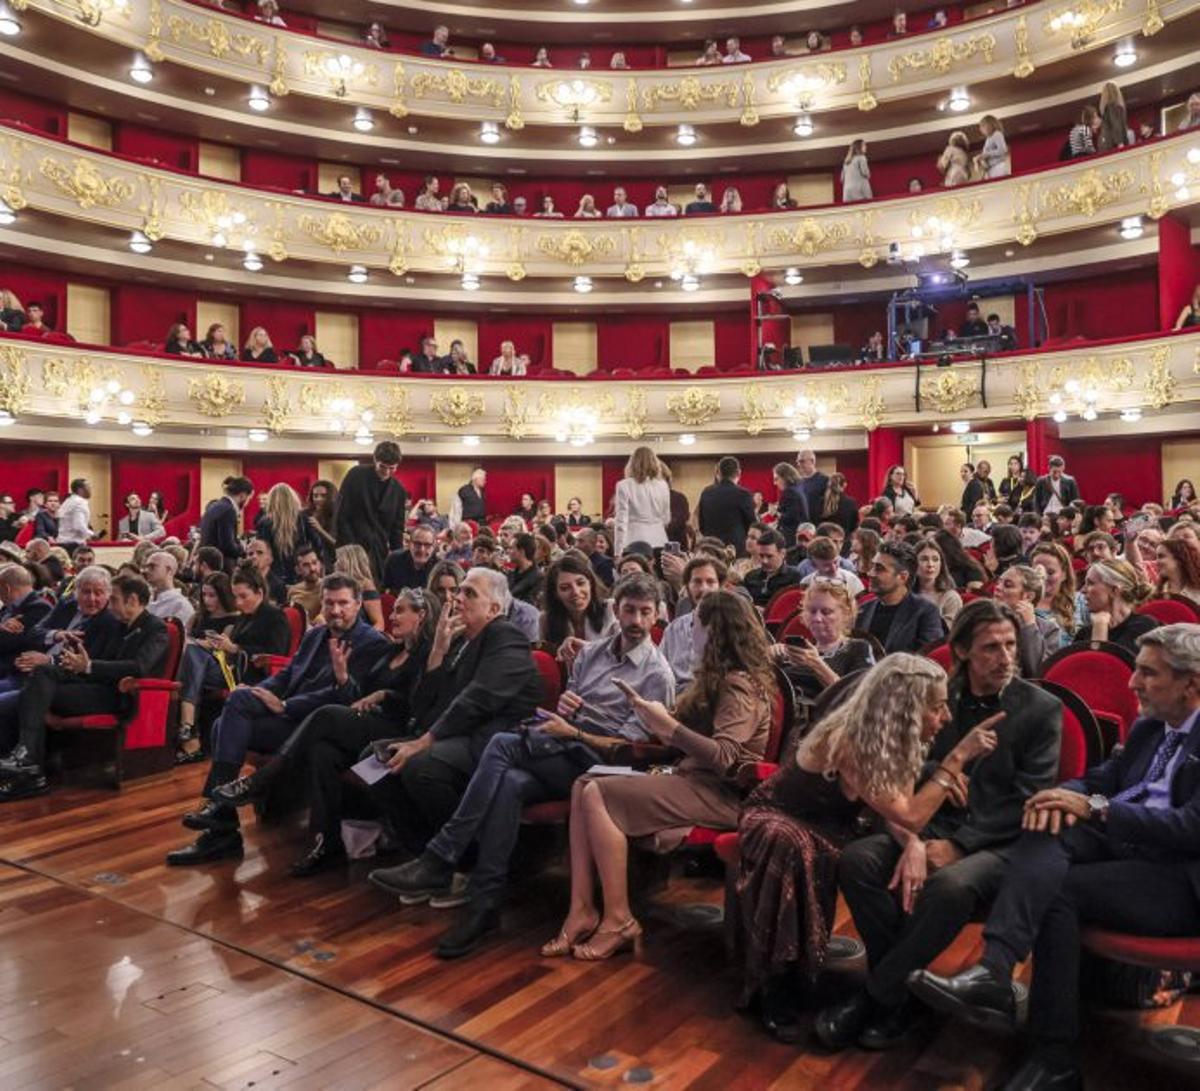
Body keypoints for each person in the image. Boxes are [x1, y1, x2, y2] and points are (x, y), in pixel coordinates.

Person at [909, 623, 1200, 1091]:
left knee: (1059, 890)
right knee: (1046, 825)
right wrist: (1059, 795)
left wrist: (1095, 808)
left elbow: (1191, 828)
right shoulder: (1153, 727)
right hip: (1126, 848)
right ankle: (996, 972)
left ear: (1192, 683)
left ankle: (1053, 1054)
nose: (1132, 683)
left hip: (1179, 876)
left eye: (1148, 673)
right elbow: (1101, 778)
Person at [370, 572, 674, 956]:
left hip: (599, 764)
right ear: (617, 609)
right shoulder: (591, 653)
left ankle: (442, 858)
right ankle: (484, 904)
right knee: (507, 781)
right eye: (628, 610)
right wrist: (565, 710)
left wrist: (575, 731)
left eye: (644, 613)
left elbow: (626, 749)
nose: (635, 620)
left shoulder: (656, 674)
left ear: (657, 616)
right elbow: (431, 705)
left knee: (495, 747)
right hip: (557, 748)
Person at [816, 600, 1063, 1050]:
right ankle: (904, 994)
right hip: (929, 819)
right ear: (963, 651)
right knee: (857, 860)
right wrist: (935, 786)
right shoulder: (937, 693)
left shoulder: (1041, 708)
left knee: (949, 885)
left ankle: (877, 997)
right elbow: (902, 766)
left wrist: (961, 845)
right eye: (991, 647)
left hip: (1000, 841)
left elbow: (1028, 801)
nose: (1006, 657)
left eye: (1011, 645)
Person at [732, 654, 968, 1039]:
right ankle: (773, 983)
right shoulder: (849, 738)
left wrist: (914, 846)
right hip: (779, 814)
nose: (945, 717)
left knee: (864, 861)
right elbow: (907, 812)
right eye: (937, 706)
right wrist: (954, 763)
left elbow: (890, 807)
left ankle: (891, 989)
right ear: (906, 709)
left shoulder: (898, 737)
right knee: (790, 845)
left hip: (837, 827)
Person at [542, 591, 773, 961]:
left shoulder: (739, 683)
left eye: (696, 624)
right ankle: (582, 908)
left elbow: (727, 759)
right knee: (582, 784)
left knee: (598, 792)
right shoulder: (714, 677)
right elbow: (679, 731)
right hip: (689, 778)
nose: (689, 630)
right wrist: (651, 713)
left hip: (721, 792)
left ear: (715, 631)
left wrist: (667, 726)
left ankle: (618, 918)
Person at [213, 588, 439, 875]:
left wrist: (384, 695)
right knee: (323, 751)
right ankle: (327, 841)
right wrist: (343, 678)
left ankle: (263, 781)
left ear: (421, 616)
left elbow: (417, 703)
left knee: (326, 716)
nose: (391, 616)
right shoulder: (391, 651)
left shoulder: (428, 655)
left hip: (396, 733)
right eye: (393, 610)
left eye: (400, 610)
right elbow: (357, 695)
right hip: (366, 725)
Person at [166, 575, 388, 864]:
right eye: (330, 602)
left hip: (313, 727)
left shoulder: (370, 643)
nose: (335, 610)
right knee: (236, 704)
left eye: (343, 603)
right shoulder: (315, 635)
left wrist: (284, 705)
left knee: (225, 722)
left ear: (358, 604)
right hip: (287, 718)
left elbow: (344, 700)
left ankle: (220, 824)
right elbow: (286, 675)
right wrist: (263, 691)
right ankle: (221, 818)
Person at [363, 568, 541, 863]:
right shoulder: (462, 642)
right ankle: (422, 851)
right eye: (460, 591)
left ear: (494, 609)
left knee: (419, 765)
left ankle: (464, 862)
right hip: (459, 736)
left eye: (469, 593)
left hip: (492, 742)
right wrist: (438, 652)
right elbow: (422, 707)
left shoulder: (506, 636)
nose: (458, 598)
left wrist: (424, 741)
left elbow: (478, 700)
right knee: (373, 761)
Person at [0, 573, 168, 800]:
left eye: (114, 598)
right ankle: (28, 762)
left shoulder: (155, 628)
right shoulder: (116, 624)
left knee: (32, 693)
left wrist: (88, 666)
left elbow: (139, 667)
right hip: (91, 686)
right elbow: (88, 661)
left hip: (115, 695)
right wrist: (73, 666)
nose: (109, 604)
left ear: (133, 600)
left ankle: (30, 765)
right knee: (41, 674)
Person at [175, 565, 291, 763]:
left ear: (259, 592)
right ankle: (189, 728)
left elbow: (275, 653)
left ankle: (189, 727)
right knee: (193, 653)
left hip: (252, 673)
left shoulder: (274, 616)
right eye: (236, 596)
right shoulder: (245, 616)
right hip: (231, 667)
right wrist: (222, 645)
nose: (238, 602)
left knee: (193, 657)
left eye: (243, 596)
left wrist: (235, 648)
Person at [771, 579, 874, 701]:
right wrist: (769, 662)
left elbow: (856, 699)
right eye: (812, 611)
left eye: (826, 612)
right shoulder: (796, 651)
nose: (817, 618)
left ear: (846, 614)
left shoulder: (857, 648)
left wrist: (816, 664)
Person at [334, 441, 407, 583]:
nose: (386, 472)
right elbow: (341, 515)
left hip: (379, 552)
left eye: (392, 468)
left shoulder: (399, 490)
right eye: (382, 467)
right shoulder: (355, 475)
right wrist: (349, 548)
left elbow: (397, 529)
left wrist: (398, 557)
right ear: (375, 460)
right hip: (351, 547)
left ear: (397, 465)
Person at [859, 542, 945, 653]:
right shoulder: (864, 609)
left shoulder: (925, 612)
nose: (870, 574)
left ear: (902, 577)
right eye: (873, 567)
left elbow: (928, 658)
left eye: (879, 569)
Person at [660, 555, 726, 687]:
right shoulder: (673, 630)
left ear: (720, 586)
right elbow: (659, 670)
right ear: (687, 586)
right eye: (697, 582)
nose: (703, 589)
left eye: (710, 582)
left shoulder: (732, 626)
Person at [541, 551, 616, 660]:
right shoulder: (545, 620)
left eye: (581, 583)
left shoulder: (611, 609)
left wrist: (587, 648)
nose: (576, 592)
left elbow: (624, 652)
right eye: (565, 588)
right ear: (555, 593)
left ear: (590, 583)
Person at [1073, 558, 1157, 653]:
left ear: (1114, 590)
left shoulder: (1143, 626)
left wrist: (1100, 628)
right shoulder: (1084, 634)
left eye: (1090, 583)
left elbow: (1109, 666)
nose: (1082, 590)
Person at [994, 564, 1063, 676]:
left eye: (1007, 585)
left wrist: (1030, 626)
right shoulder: (983, 620)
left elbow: (1038, 672)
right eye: (999, 582)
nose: (997, 587)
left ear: (1028, 597)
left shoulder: (1049, 630)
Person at [613, 447, 669, 557]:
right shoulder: (663, 485)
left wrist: (617, 551)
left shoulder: (624, 485)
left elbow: (621, 522)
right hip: (659, 539)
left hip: (633, 541)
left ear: (632, 463)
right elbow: (666, 518)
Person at [256, 482, 315, 585]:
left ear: (272, 500)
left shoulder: (265, 522)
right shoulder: (303, 519)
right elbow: (316, 544)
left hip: (274, 573)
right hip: (301, 569)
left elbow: (261, 550)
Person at [698, 456, 757, 556]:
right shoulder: (743, 494)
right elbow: (752, 524)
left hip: (711, 548)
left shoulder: (706, 492)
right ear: (738, 472)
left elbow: (702, 525)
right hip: (736, 549)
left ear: (719, 472)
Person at [0, 564, 52, 675]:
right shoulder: (9, 607)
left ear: (6, 588)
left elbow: (8, 642)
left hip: (14, 670)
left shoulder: (39, 608)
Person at [199, 475, 252, 572]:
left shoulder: (214, 506)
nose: (247, 503)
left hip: (208, 564)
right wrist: (244, 549)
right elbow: (228, 546)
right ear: (243, 495)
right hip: (221, 568)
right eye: (249, 499)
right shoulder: (228, 510)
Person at [743, 529, 801, 610]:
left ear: (782, 553)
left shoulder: (795, 577)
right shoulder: (750, 577)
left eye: (769, 556)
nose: (764, 561)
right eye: (761, 556)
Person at [916, 538, 963, 628]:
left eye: (935, 559)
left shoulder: (951, 598)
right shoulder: (903, 593)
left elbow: (946, 634)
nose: (930, 564)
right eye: (924, 559)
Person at [143, 550, 195, 628]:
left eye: (152, 566)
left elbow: (180, 637)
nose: (146, 571)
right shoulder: (145, 599)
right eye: (146, 567)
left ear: (169, 570)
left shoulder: (180, 605)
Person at [383, 524, 437, 594]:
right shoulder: (394, 560)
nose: (422, 550)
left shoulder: (438, 567)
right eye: (417, 544)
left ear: (434, 547)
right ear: (410, 544)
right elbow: (383, 590)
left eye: (427, 545)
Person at [286, 542, 326, 624]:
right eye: (306, 565)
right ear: (297, 570)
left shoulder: (328, 586)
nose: (312, 568)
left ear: (320, 564)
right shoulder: (293, 591)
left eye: (314, 563)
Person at [772, 463, 810, 547]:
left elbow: (791, 518)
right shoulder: (799, 489)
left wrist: (775, 513)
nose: (775, 483)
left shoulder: (789, 492)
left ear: (785, 477)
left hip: (790, 538)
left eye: (776, 479)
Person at [302, 479, 338, 568]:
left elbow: (340, 545)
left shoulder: (337, 516)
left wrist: (320, 530)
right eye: (315, 496)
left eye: (323, 496)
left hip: (333, 562)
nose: (318, 499)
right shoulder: (306, 514)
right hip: (311, 563)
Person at [1156, 537, 1200, 604]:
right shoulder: (1157, 593)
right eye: (1156, 557)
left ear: (1179, 559)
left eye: (1161, 556)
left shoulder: (1197, 592)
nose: (1156, 562)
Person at [506, 533, 542, 606]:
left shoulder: (538, 578)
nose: (508, 551)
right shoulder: (511, 575)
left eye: (511, 548)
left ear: (522, 551)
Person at [1097, 81, 1129, 151]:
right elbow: (1116, 124)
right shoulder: (1113, 106)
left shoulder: (1106, 108)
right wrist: (1120, 143)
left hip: (1107, 143)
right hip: (1114, 143)